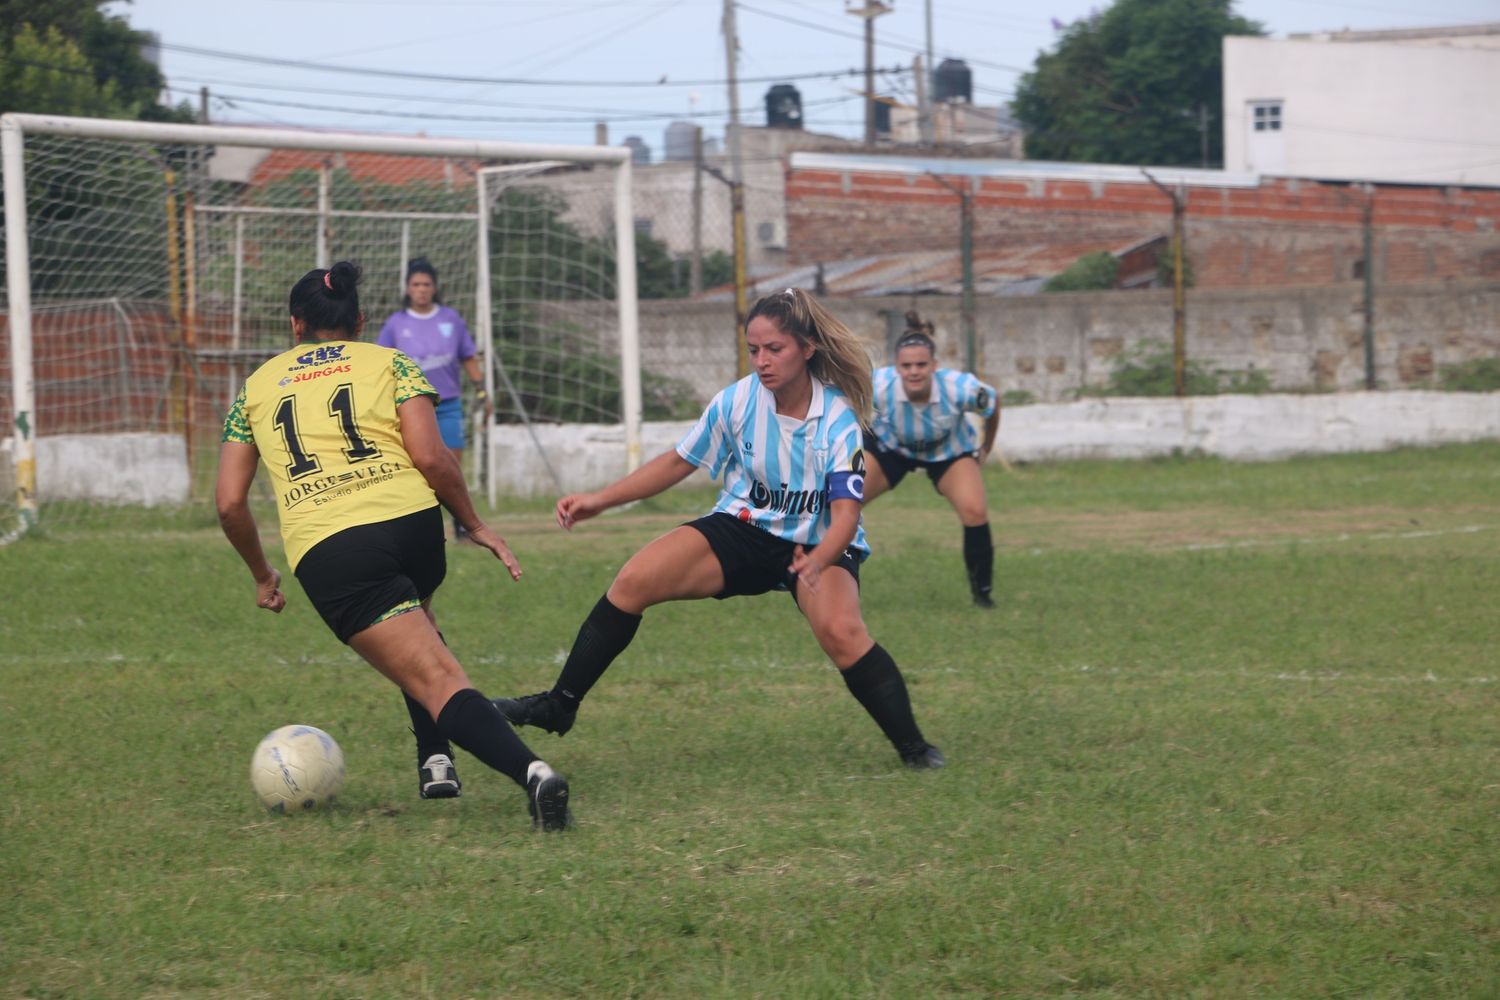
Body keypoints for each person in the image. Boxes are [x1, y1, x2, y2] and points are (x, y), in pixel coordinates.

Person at [493, 287, 944, 770]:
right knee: (633, 581)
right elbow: (677, 461)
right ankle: (559, 705)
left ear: (806, 349)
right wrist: (600, 501)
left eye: (775, 349)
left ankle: (915, 749)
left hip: (818, 542)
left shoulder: (836, 418)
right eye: (754, 350)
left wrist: (818, 559)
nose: (762, 361)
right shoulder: (737, 401)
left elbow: (847, 516)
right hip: (744, 528)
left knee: (842, 632)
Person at [216, 261, 572, 831]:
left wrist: (262, 575)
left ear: (294, 324)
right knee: (416, 622)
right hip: (414, 526)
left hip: (334, 550)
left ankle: (534, 776)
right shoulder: (392, 362)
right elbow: (431, 458)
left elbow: (230, 503)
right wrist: (474, 523)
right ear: (359, 320)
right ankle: (435, 760)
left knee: (433, 676)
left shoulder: (255, 388)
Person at [864, 310, 1000, 609]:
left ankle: (982, 595)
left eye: (921, 365)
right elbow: (844, 404)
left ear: (934, 366)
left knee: (975, 511)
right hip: (891, 447)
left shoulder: (960, 388)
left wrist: (985, 448)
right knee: (842, 505)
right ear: (896, 367)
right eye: (907, 365)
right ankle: (818, 580)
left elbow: (993, 403)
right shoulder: (878, 385)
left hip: (948, 451)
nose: (914, 371)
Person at [376, 257, 491, 541]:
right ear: (407, 288)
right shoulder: (396, 323)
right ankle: (423, 527)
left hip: (448, 404)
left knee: (452, 464)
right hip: (411, 408)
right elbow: (379, 364)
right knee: (419, 466)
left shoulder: (450, 319)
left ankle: (462, 526)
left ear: (435, 287)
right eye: (416, 284)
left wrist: (482, 390)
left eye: (426, 284)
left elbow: (468, 357)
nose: (421, 289)